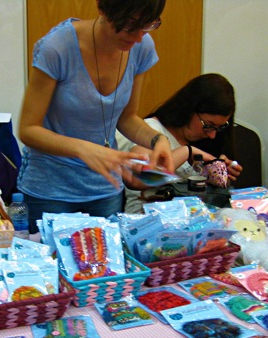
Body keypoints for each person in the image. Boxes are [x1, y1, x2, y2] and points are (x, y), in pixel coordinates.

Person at [17, 0, 174, 233]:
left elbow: (127, 117)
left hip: (105, 189)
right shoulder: (57, 48)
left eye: (148, 25)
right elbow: (28, 129)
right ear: (104, 8)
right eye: (130, 25)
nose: (138, 37)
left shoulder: (141, 47)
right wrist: (84, 149)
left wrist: (158, 140)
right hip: (51, 190)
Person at [116, 73, 243, 213]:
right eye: (208, 125)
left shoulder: (208, 139)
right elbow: (137, 180)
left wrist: (219, 174)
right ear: (189, 109)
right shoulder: (152, 131)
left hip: (198, 217)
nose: (212, 135)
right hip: (148, 218)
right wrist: (186, 152)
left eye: (219, 127)